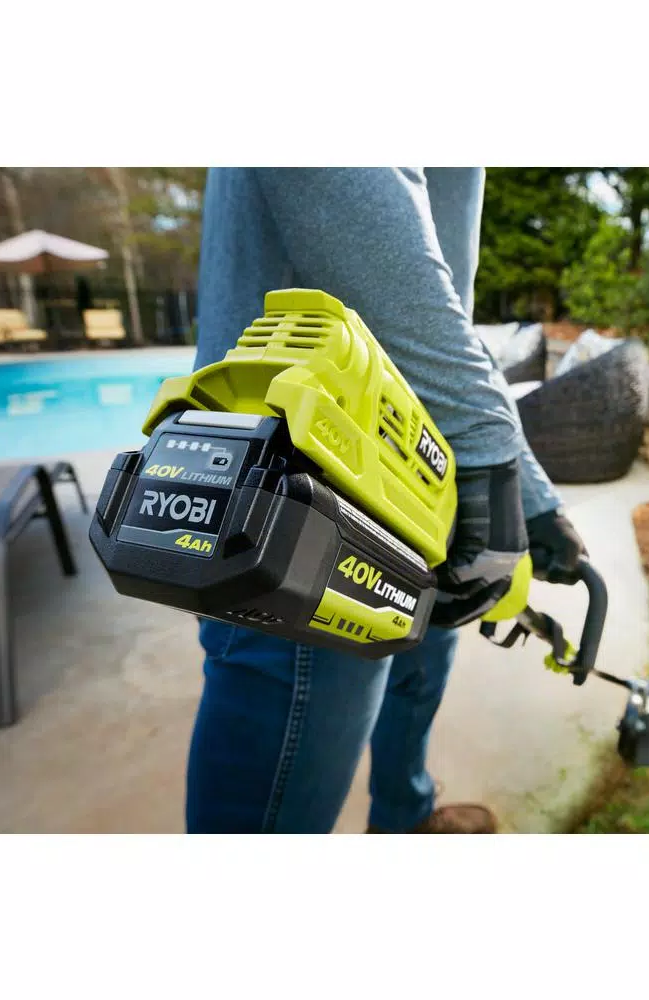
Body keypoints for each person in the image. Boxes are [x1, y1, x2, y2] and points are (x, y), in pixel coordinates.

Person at [186, 168, 586, 833]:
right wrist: (487, 449)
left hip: (408, 473)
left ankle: (404, 816)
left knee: (420, 658)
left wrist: (530, 489)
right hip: (309, 477)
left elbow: (436, 305)